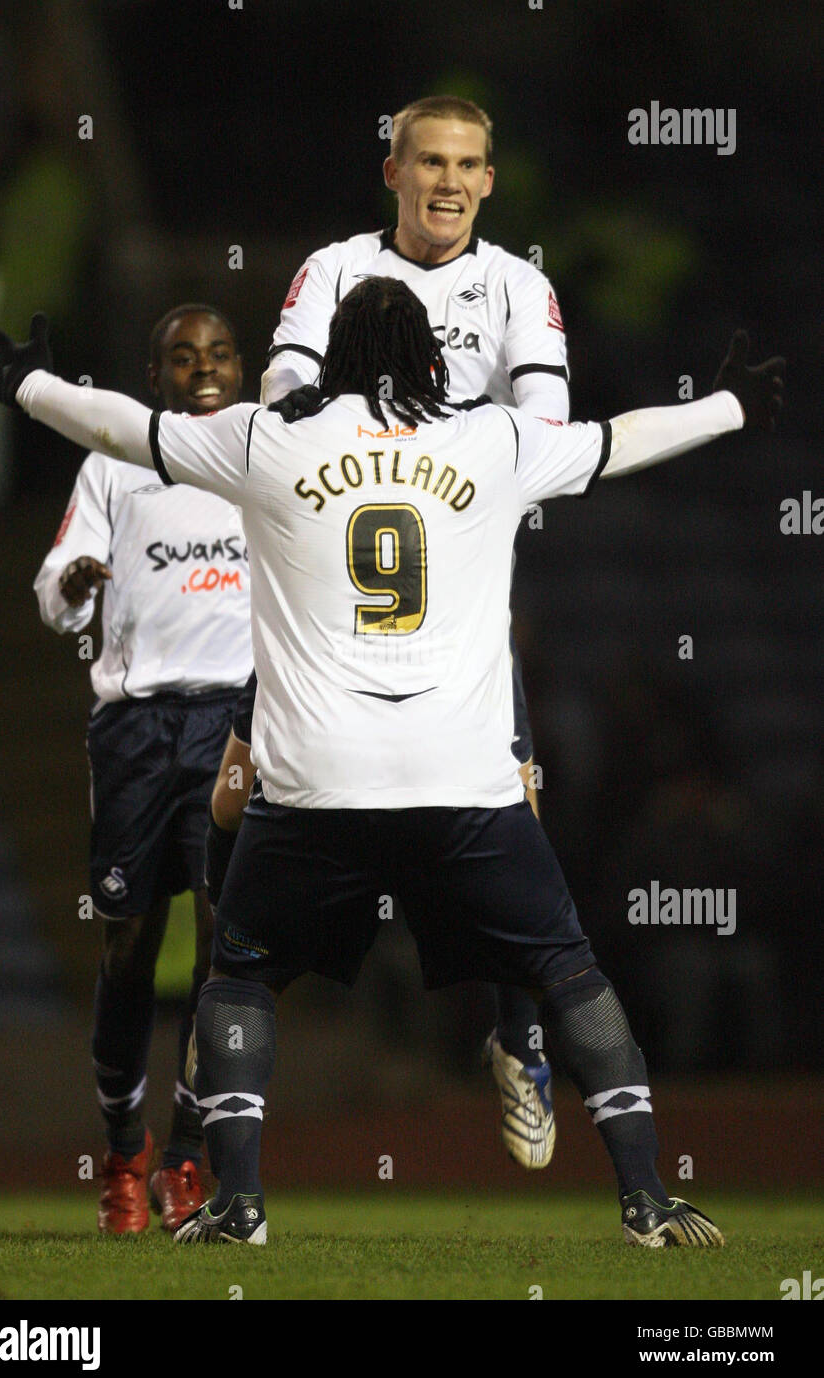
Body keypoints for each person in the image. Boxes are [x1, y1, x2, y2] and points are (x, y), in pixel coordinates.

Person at [0, 279, 783, 1247]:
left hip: (316, 777)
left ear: (330, 359)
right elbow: (619, 442)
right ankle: (645, 1196)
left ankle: (235, 1203)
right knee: (567, 968)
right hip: (461, 778)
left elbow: (125, 429)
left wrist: (29, 385)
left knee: (237, 975)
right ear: (435, 360)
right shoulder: (492, 440)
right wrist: (728, 404)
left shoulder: (265, 440)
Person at [211, 94, 572, 1171]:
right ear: (393, 171)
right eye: (428, 161)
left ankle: (519, 1040)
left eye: (467, 164)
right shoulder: (329, 272)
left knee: (515, 800)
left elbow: (544, 436)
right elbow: (281, 397)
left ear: (489, 180)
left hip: (449, 589)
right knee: (236, 786)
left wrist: (421, 450)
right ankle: (222, 1024)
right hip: (329, 580)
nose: (448, 182)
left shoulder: (518, 286)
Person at [32, 305, 253, 1233]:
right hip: (133, 730)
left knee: (219, 948)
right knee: (127, 945)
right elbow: (54, 587)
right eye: (181, 357)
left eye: (218, 355)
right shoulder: (114, 465)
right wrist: (74, 585)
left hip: (235, 726)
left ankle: (188, 1160)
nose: (203, 369)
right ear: (152, 375)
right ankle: (124, 1155)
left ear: (241, 370)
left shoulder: (263, 458)